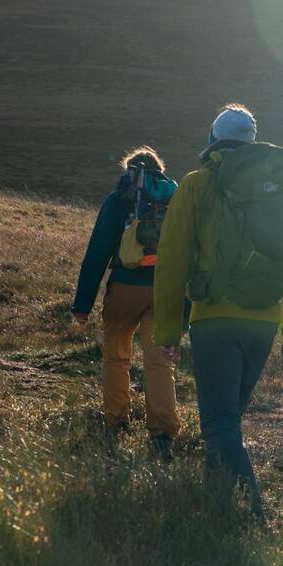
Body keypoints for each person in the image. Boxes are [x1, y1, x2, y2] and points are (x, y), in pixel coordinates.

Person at [153, 104, 283, 519]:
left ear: (212, 142)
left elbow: (172, 261)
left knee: (219, 424)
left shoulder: (197, 183)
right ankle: (216, 507)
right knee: (227, 422)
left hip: (215, 319)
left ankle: (254, 516)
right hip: (266, 320)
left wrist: (168, 330)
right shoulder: (282, 187)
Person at [72, 146, 180, 458]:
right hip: (162, 290)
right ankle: (162, 434)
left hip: (123, 289)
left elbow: (97, 253)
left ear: (128, 171)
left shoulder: (118, 200)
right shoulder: (172, 200)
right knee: (159, 362)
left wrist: (82, 305)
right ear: (160, 169)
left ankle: (116, 422)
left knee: (116, 356)